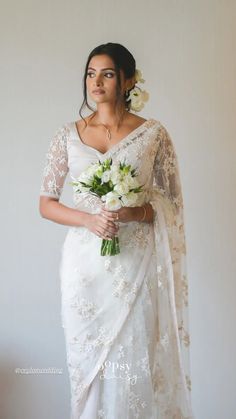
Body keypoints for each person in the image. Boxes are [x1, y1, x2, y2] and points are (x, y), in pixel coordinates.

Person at [39, 42, 194, 419]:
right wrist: (89, 220)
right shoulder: (67, 136)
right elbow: (46, 202)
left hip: (135, 265)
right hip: (84, 268)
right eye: (91, 74)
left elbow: (170, 204)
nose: (96, 82)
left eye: (107, 73)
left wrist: (131, 212)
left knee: (133, 355)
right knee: (89, 361)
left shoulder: (152, 134)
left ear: (127, 80)